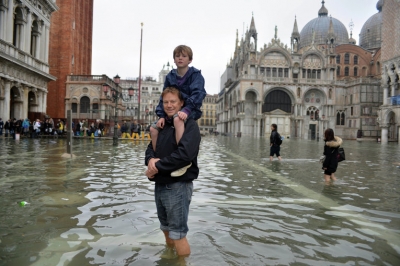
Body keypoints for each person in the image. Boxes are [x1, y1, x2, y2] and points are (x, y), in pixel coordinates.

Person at [145, 87, 201, 257]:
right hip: (160, 185)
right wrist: (150, 161)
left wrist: (157, 166)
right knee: (166, 229)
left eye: (173, 102)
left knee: (178, 234)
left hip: (178, 186)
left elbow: (185, 155)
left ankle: (182, 262)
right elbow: (150, 149)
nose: (169, 105)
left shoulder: (190, 125)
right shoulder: (162, 126)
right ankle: (170, 257)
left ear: (181, 103)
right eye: (166, 102)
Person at [150, 45, 206, 177]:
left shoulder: (196, 75)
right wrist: (162, 116)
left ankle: (182, 162)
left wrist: (186, 109)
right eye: (177, 56)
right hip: (173, 111)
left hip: (190, 109)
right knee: (153, 129)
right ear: (174, 60)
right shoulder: (170, 76)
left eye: (184, 56)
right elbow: (164, 96)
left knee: (177, 119)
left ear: (190, 60)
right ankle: (157, 158)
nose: (180, 58)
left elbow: (198, 94)